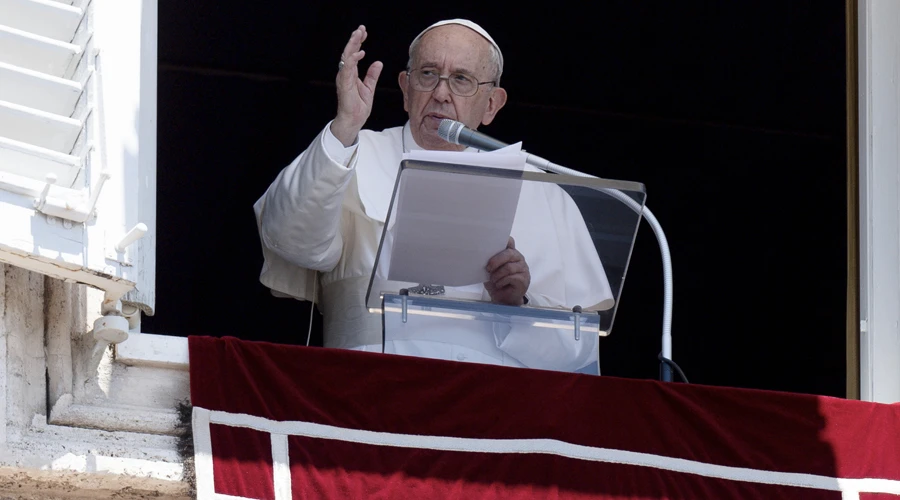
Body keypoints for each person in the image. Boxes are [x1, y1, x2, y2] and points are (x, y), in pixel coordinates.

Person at [255, 19, 613, 372]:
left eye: (461, 79)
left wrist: (516, 304)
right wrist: (345, 124)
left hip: (495, 410)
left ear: (492, 104)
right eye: (428, 74)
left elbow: (577, 355)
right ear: (406, 89)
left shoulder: (542, 192)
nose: (441, 93)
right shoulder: (351, 152)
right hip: (366, 398)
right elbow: (292, 242)